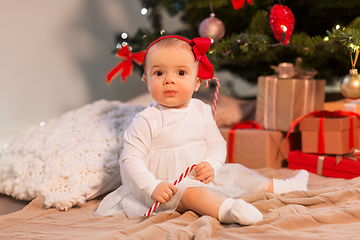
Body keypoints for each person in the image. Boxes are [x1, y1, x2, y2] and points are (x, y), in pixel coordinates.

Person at [94, 35, 309, 225]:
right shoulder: (147, 120)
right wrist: (152, 186)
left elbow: (217, 144)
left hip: (198, 174)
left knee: (239, 175)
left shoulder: (201, 110)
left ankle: (284, 186)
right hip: (165, 187)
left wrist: (213, 165)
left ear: (197, 82)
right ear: (146, 80)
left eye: (181, 72)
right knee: (192, 195)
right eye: (159, 73)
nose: (170, 80)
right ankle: (228, 210)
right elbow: (130, 159)